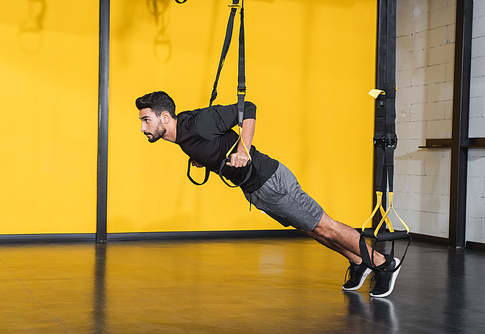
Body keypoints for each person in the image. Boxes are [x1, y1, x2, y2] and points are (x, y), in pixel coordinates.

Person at [136, 91, 401, 298]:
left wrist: (244, 149)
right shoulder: (183, 135)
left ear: (166, 118)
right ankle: (358, 260)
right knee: (312, 230)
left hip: (271, 181)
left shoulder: (197, 123)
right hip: (257, 191)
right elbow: (214, 145)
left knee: (325, 225)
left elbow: (247, 109)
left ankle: (384, 263)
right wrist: (205, 160)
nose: (143, 127)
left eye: (146, 119)